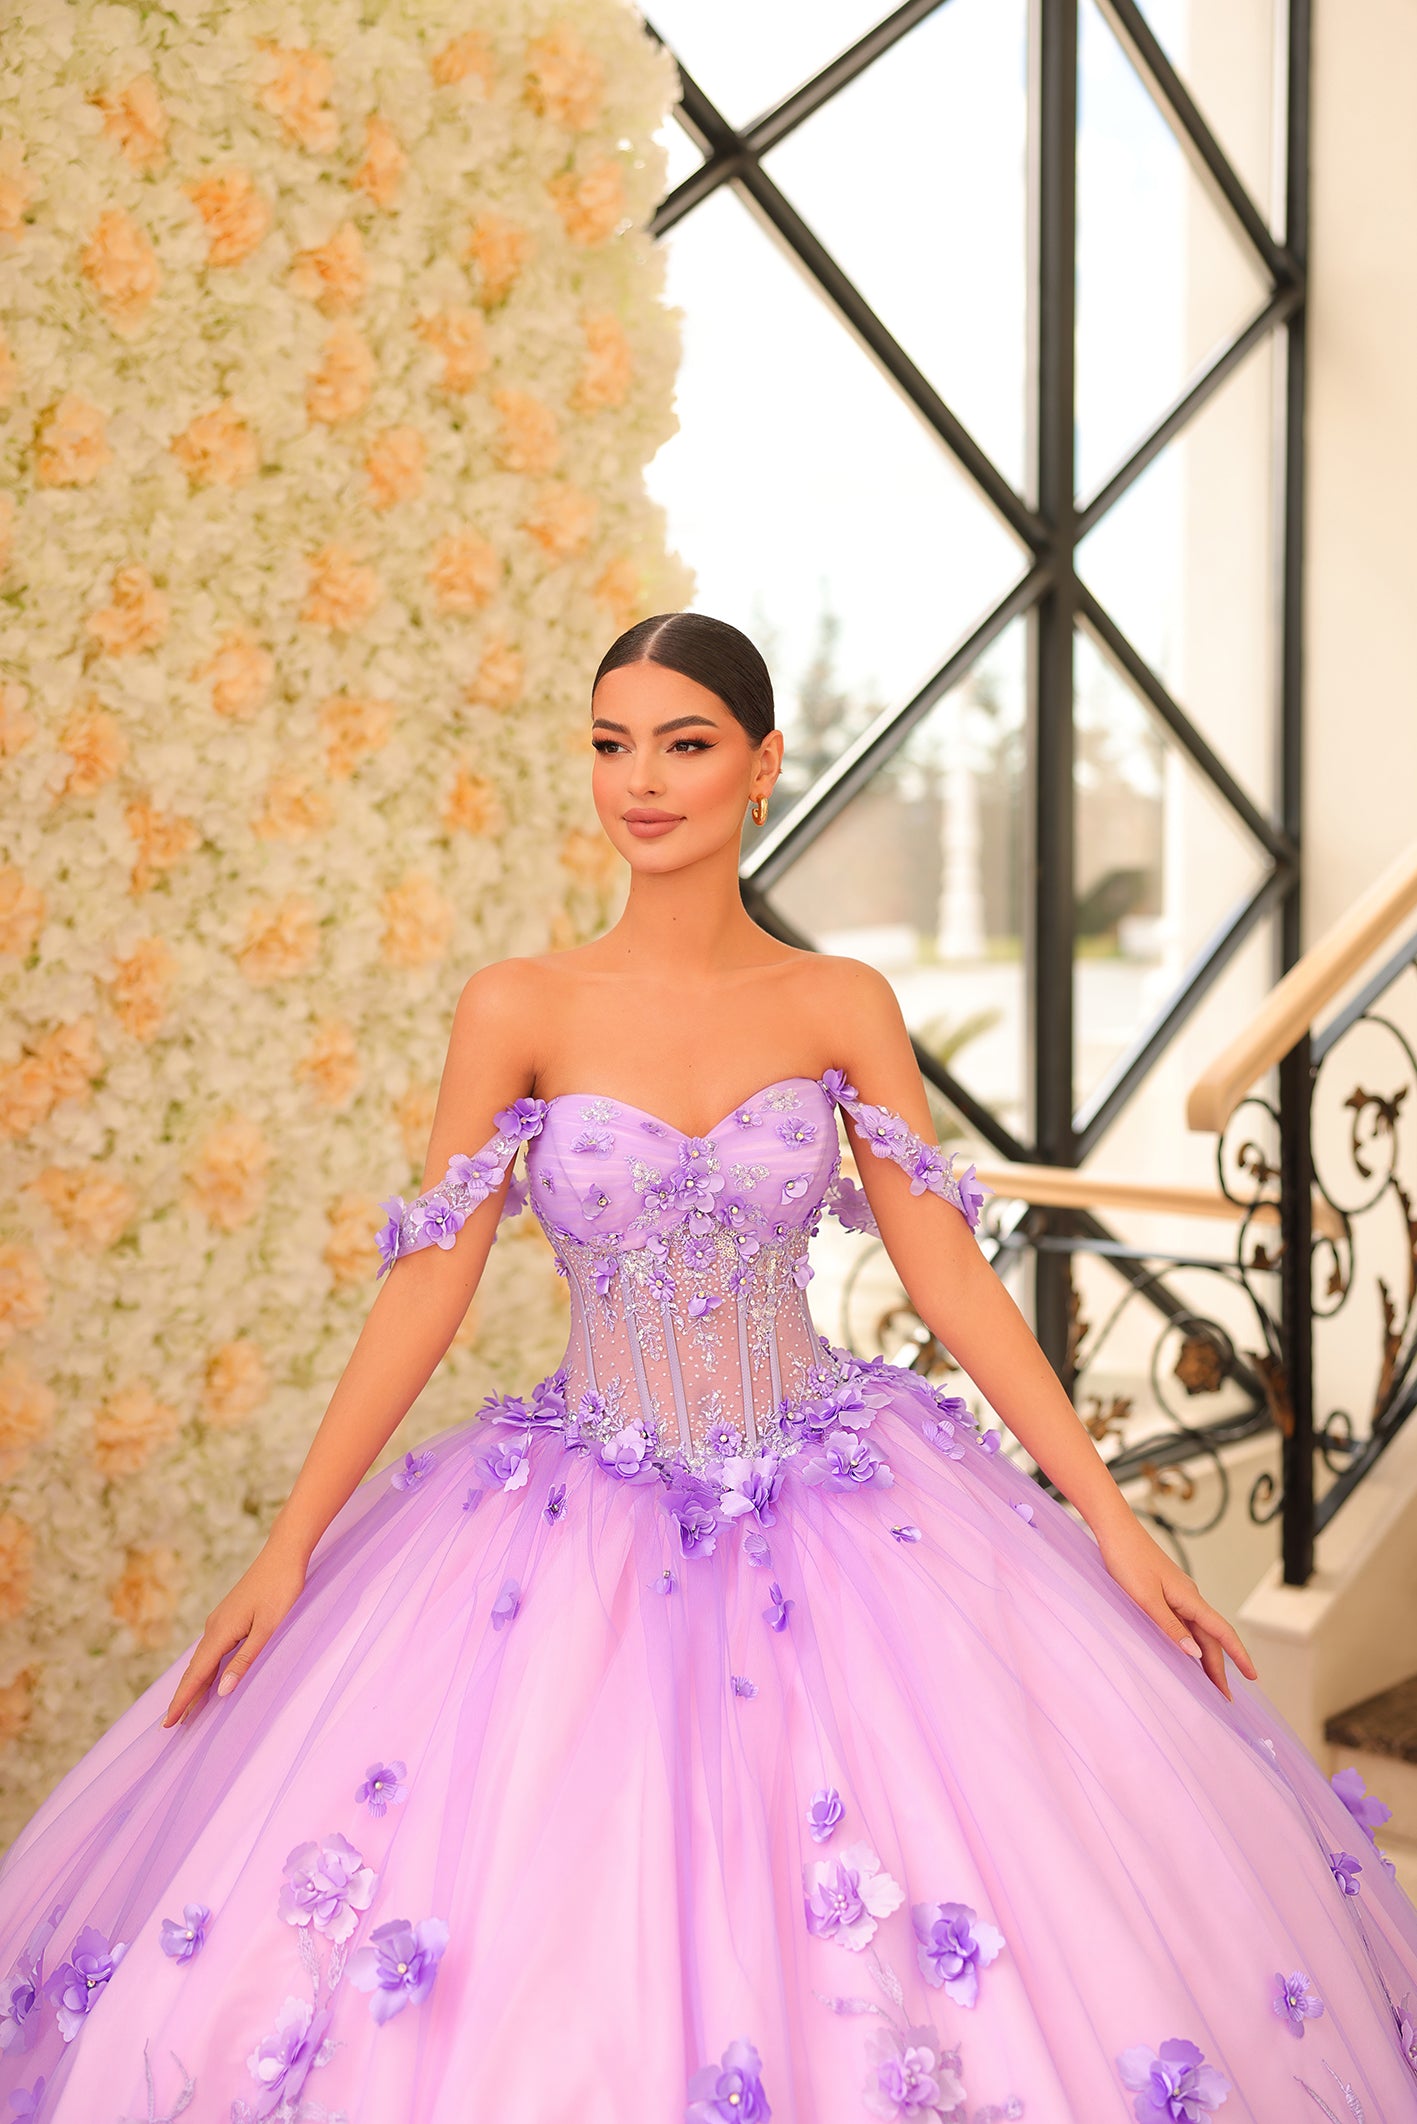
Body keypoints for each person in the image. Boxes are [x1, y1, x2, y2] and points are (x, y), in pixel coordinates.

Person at [1, 612, 1415, 2124]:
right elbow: (429, 1286)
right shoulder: (519, 1004)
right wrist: (289, 1546)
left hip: (843, 1498)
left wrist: (1110, 1523)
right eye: (612, 744)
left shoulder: (837, 1003)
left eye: (682, 743)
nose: (641, 781)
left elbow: (948, 1276)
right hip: (572, 1517)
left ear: (760, 763)